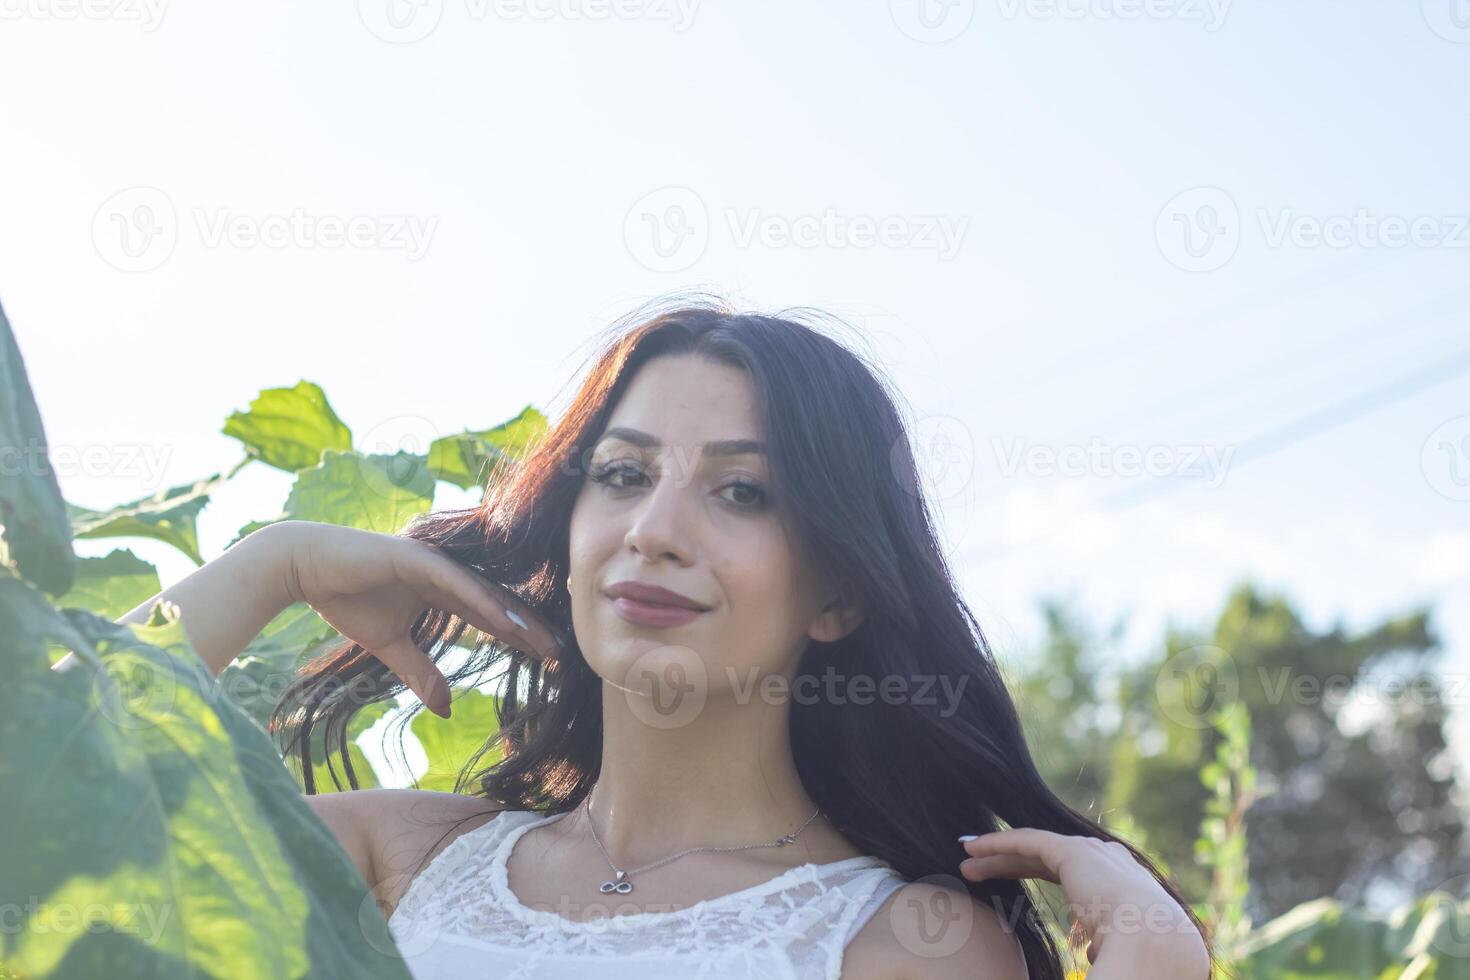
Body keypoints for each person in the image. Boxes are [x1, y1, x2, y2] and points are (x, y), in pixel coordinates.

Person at [105, 296, 1215, 978]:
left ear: (837, 593)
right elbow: (42, 808)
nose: (655, 529)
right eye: (623, 474)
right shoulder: (392, 860)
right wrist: (274, 562)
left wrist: (1161, 967)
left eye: (741, 493)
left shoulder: (900, 939)